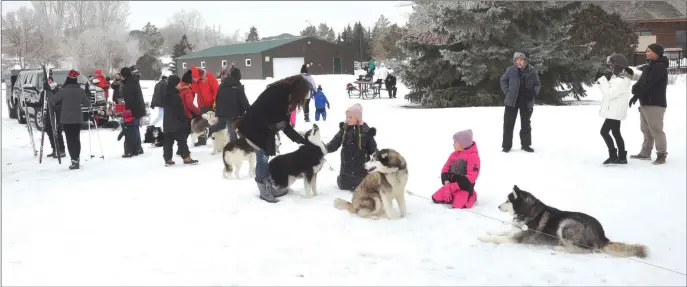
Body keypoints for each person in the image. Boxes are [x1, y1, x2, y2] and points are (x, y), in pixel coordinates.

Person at [237, 74, 311, 203]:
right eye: (304, 93)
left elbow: (284, 124)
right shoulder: (278, 93)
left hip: (264, 128)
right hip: (253, 126)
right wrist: (274, 124)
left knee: (264, 156)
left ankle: (268, 185)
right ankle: (264, 189)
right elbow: (261, 112)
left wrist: (300, 139)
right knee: (262, 157)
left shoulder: (287, 96)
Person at [629, 43, 669, 165]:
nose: (648, 53)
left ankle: (661, 154)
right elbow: (641, 82)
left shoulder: (660, 67)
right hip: (645, 102)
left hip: (655, 103)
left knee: (656, 130)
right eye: (647, 51)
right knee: (646, 130)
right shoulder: (648, 66)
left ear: (658, 53)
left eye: (650, 51)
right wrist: (635, 89)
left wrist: (636, 95)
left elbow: (649, 83)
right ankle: (645, 152)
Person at [326, 103, 378, 191]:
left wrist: (379, 157)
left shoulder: (366, 132)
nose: (347, 119)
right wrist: (323, 149)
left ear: (358, 118)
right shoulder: (344, 130)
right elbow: (334, 143)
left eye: (350, 117)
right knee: (344, 185)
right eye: (347, 117)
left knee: (362, 187)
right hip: (346, 171)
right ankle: (344, 180)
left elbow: (373, 149)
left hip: (362, 174)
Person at [500, 52, 541, 153]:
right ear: (514, 61)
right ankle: (506, 146)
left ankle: (526, 145)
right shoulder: (510, 70)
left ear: (525, 61)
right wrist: (508, 92)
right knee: (508, 124)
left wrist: (534, 92)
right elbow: (503, 80)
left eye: (521, 60)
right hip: (512, 101)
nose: (519, 62)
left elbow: (537, 84)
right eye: (517, 60)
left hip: (526, 101)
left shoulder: (532, 71)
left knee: (526, 124)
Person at [597, 54, 634, 165]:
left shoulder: (621, 81)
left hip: (615, 112)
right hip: (615, 111)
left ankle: (614, 156)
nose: (610, 68)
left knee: (604, 132)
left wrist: (602, 81)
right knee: (616, 133)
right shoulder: (618, 79)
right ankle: (622, 157)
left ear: (618, 66)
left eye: (612, 66)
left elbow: (610, 93)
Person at [51, 70, 91, 170]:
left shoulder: (62, 90)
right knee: (76, 139)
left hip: (67, 119)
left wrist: (50, 91)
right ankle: (76, 159)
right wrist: (87, 93)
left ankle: (74, 160)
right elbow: (87, 104)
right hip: (78, 119)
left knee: (70, 140)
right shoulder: (81, 91)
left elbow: (53, 101)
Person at [431, 129, 481, 209]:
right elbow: (445, 169)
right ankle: (454, 195)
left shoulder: (473, 156)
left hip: (464, 188)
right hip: (450, 186)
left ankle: (472, 195)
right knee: (435, 198)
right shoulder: (453, 154)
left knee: (457, 206)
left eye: (455, 142)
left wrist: (452, 187)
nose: (453, 144)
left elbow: (471, 177)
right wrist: (446, 183)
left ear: (463, 144)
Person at [162, 75, 197, 165]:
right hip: (177, 122)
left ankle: (168, 159)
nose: (180, 84)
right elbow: (180, 111)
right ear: (174, 84)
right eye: (178, 83)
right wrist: (184, 120)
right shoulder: (176, 96)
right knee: (182, 141)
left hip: (167, 123)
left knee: (168, 142)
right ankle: (186, 158)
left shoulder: (166, 94)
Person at [208, 67, 249, 142]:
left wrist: (218, 109)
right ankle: (235, 146)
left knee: (221, 125)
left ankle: (209, 129)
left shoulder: (223, 84)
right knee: (232, 130)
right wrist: (249, 110)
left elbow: (218, 97)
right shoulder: (238, 86)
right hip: (232, 113)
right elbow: (243, 101)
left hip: (221, 111)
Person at [189, 66, 219, 146]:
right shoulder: (193, 81)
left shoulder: (209, 76)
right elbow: (191, 92)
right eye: (193, 78)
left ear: (199, 74)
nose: (194, 79)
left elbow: (216, 89)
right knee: (201, 123)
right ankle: (202, 140)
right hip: (201, 105)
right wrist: (190, 102)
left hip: (212, 104)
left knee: (212, 122)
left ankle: (215, 140)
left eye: (195, 78)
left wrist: (215, 101)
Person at [120, 66, 146, 155]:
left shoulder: (128, 86)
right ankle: (138, 148)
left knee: (133, 130)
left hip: (133, 110)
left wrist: (127, 113)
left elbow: (129, 100)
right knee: (136, 129)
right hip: (139, 108)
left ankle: (133, 149)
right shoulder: (134, 81)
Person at [43, 76, 65, 158]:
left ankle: (61, 150)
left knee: (57, 131)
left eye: (49, 80)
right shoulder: (44, 91)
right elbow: (41, 102)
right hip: (48, 114)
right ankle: (54, 149)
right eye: (46, 80)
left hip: (57, 114)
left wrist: (49, 91)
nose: (48, 81)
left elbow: (57, 101)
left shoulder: (57, 89)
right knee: (49, 131)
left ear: (52, 81)